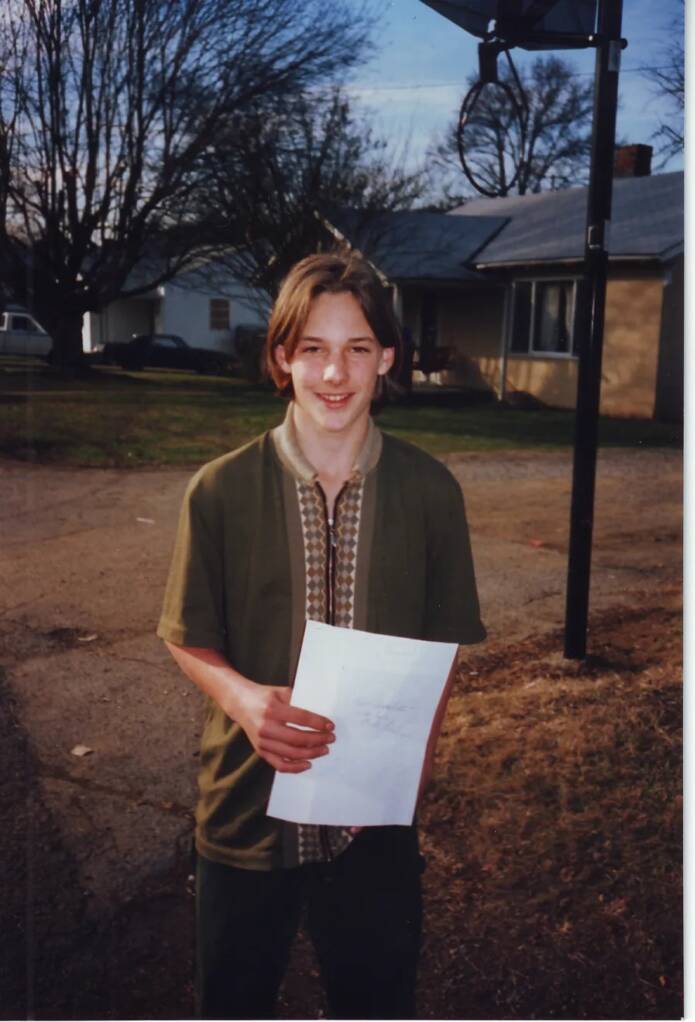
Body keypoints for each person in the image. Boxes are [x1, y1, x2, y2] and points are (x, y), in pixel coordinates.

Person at [157, 251, 486, 1020]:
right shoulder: (220, 490)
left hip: (373, 824)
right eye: (313, 349)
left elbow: (441, 655)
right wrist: (242, 700)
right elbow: (185, 634)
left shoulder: (431, 492)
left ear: (388, 360)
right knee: (233, 1001)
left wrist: (411, 775)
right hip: (245, 810)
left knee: (375, 1001)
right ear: (281, 358)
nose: (335, 374)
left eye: (358, 349)